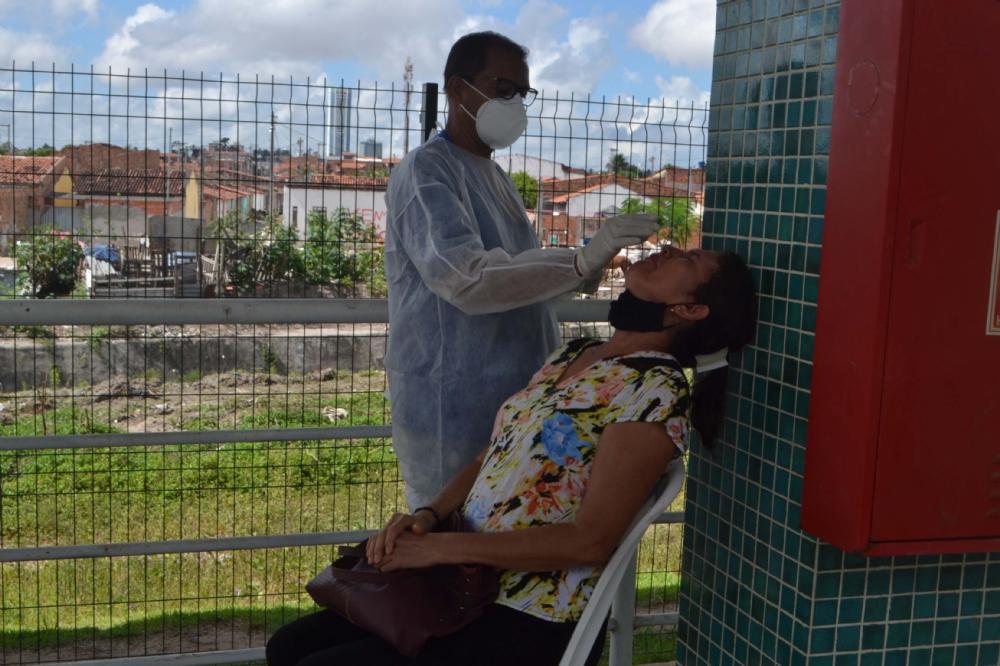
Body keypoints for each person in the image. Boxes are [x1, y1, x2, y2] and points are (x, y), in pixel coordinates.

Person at [266, 247, 757, 666]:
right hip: (466, 586)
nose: (669, 250)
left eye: (689, 260)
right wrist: (428, 517)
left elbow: (589, 543)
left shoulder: (654, 389)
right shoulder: (574, 355)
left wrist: (438, 550)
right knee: (288, 647)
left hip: (527, 616)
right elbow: (490, 455)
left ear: (689, 310)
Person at [384, 31, 660, 509]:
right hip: (453, 404)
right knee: (450, 541)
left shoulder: (495, 178)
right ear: (456, 89)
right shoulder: (425, 172)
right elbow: (466, 278)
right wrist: (579, 260)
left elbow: (524, 273)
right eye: (503, 88)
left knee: (508, 537)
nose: (514, 103)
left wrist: (586, 267)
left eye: (522, 93)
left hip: (518, 398)